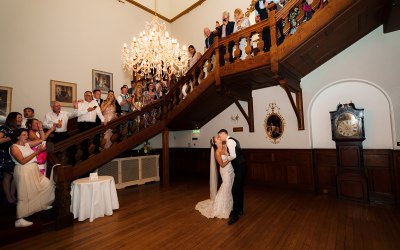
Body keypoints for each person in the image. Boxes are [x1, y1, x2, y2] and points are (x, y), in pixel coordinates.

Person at [10, 128, 55, 227]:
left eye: (27, 134)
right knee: (25, 194)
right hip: (23, 171)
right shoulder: (14, 147)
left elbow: (42, 139)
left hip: (33, 170)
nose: (27, 136)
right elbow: (22, 161)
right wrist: (37, 152)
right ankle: (19, 219)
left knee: (46, 184)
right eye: (24, 135)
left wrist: (40, 129)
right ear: (18, 137)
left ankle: (42, 204)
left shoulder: (27, 144)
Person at [195, 136, 234, 219]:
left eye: (219, 137)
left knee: (230, 187)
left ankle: (229, 206)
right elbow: (222, 165)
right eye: (218, 138)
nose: (220, 138)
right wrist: (230, 159)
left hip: (231, 169)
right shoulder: (217, 152)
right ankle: (220, 207)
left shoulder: (224, 145)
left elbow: (229, 148)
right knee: (225, 187)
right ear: (215, 143)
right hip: (225, 171)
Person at [218, 129, 246, 225]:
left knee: (235, 190)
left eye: (220, 135)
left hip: (240, 167)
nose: (220, 137)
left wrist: (228, 158)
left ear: (224, 134)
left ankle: (235, 214)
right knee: (239, 189)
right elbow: (234, 154)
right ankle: (240, 210)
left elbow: (233, 156)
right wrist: (227, 155)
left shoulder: (229, 141)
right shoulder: (233, 140)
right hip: (241, 166)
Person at [0, 112, 22, 204]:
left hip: (15, 155)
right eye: (19, 117)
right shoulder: (4, 128)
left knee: (14, 176)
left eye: (21, 117)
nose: (21, 119)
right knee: (7, 176)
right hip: (5, 155)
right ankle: (8, 197)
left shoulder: (18, 130)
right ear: (12, 119)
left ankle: (12, 196)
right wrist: (10, 138)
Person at [77, 91, 105, 159]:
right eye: (88, 95)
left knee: (97, 136)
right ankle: (85, 155)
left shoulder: (94, 102)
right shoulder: (81, 103)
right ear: (85, 96)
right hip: (83, 123)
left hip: (92, 123)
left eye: (90, 95)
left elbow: (99, 112)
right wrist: (87, 110)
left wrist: (103, 120)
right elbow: (77, 113)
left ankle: (96, 152)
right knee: (85, 140)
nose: (89, 97)